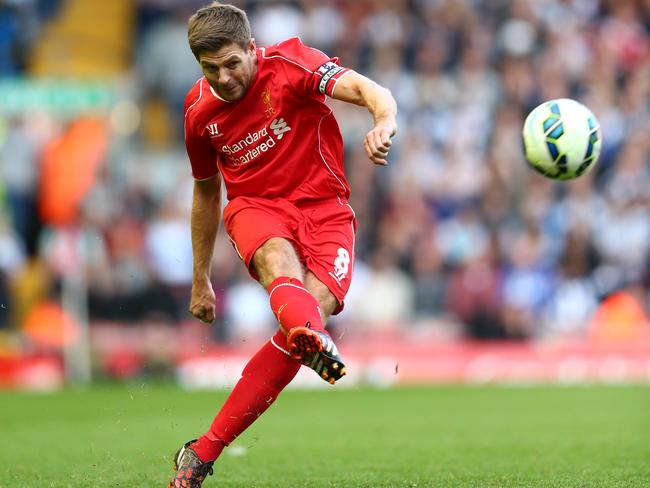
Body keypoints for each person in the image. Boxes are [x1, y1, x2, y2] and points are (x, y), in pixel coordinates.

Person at [169, 3, 397, 487]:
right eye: (211, 69)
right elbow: (207, 191)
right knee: (278, 263)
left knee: (312, 313)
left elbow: (366, 89)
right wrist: (200, 277)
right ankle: (312, 337)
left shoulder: (293, 64)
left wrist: (383, 121)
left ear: (252, 49)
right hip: (256, 206)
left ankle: (202, 451)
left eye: (232, 63)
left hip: (327, 209)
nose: (224, 78)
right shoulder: (197, 113)